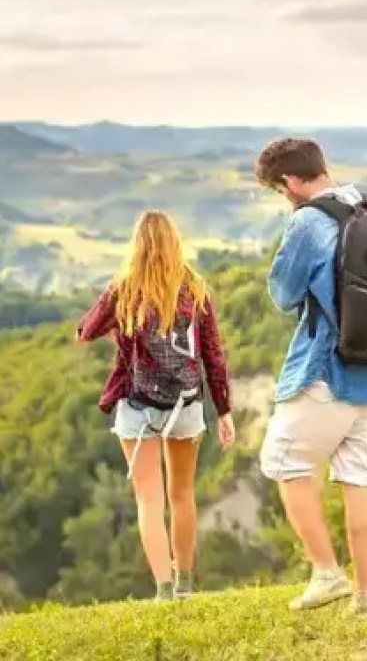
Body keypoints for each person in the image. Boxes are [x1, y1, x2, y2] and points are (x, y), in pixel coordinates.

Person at [255, 137, 367, 614]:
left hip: (327, 370)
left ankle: (326, 573)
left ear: (291, 181)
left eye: (280, 189)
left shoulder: (308, 222)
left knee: (285, 464)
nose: (284, 197)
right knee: (359, 479)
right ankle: (366, 596)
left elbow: (283, 294)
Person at [77, 211, 235, 602]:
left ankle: (163, 589)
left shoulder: (125, 290)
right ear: (174, 243)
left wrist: (113, 296)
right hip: (186, 405)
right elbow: (213, 354)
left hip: (138, 405)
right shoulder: (194, 289)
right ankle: (185, 584)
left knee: (149, 499)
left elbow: (86, 331)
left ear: (137, 246)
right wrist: (224, 410)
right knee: (182, 495)